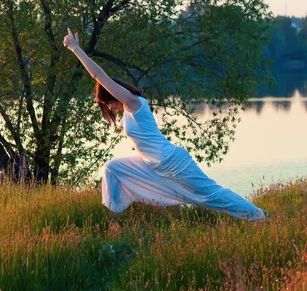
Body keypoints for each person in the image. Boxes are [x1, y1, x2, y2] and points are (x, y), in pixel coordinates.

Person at [63, 28, 265, 221]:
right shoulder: (128, 111)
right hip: (152, 164)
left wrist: (76, 49)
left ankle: (257, 215)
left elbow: (99, 76)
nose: (110, 107)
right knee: (112, 168)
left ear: (115, 94)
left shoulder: (134, 103)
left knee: (210, 196)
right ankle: (114, 219)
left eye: (108, 102)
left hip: (173, 162)